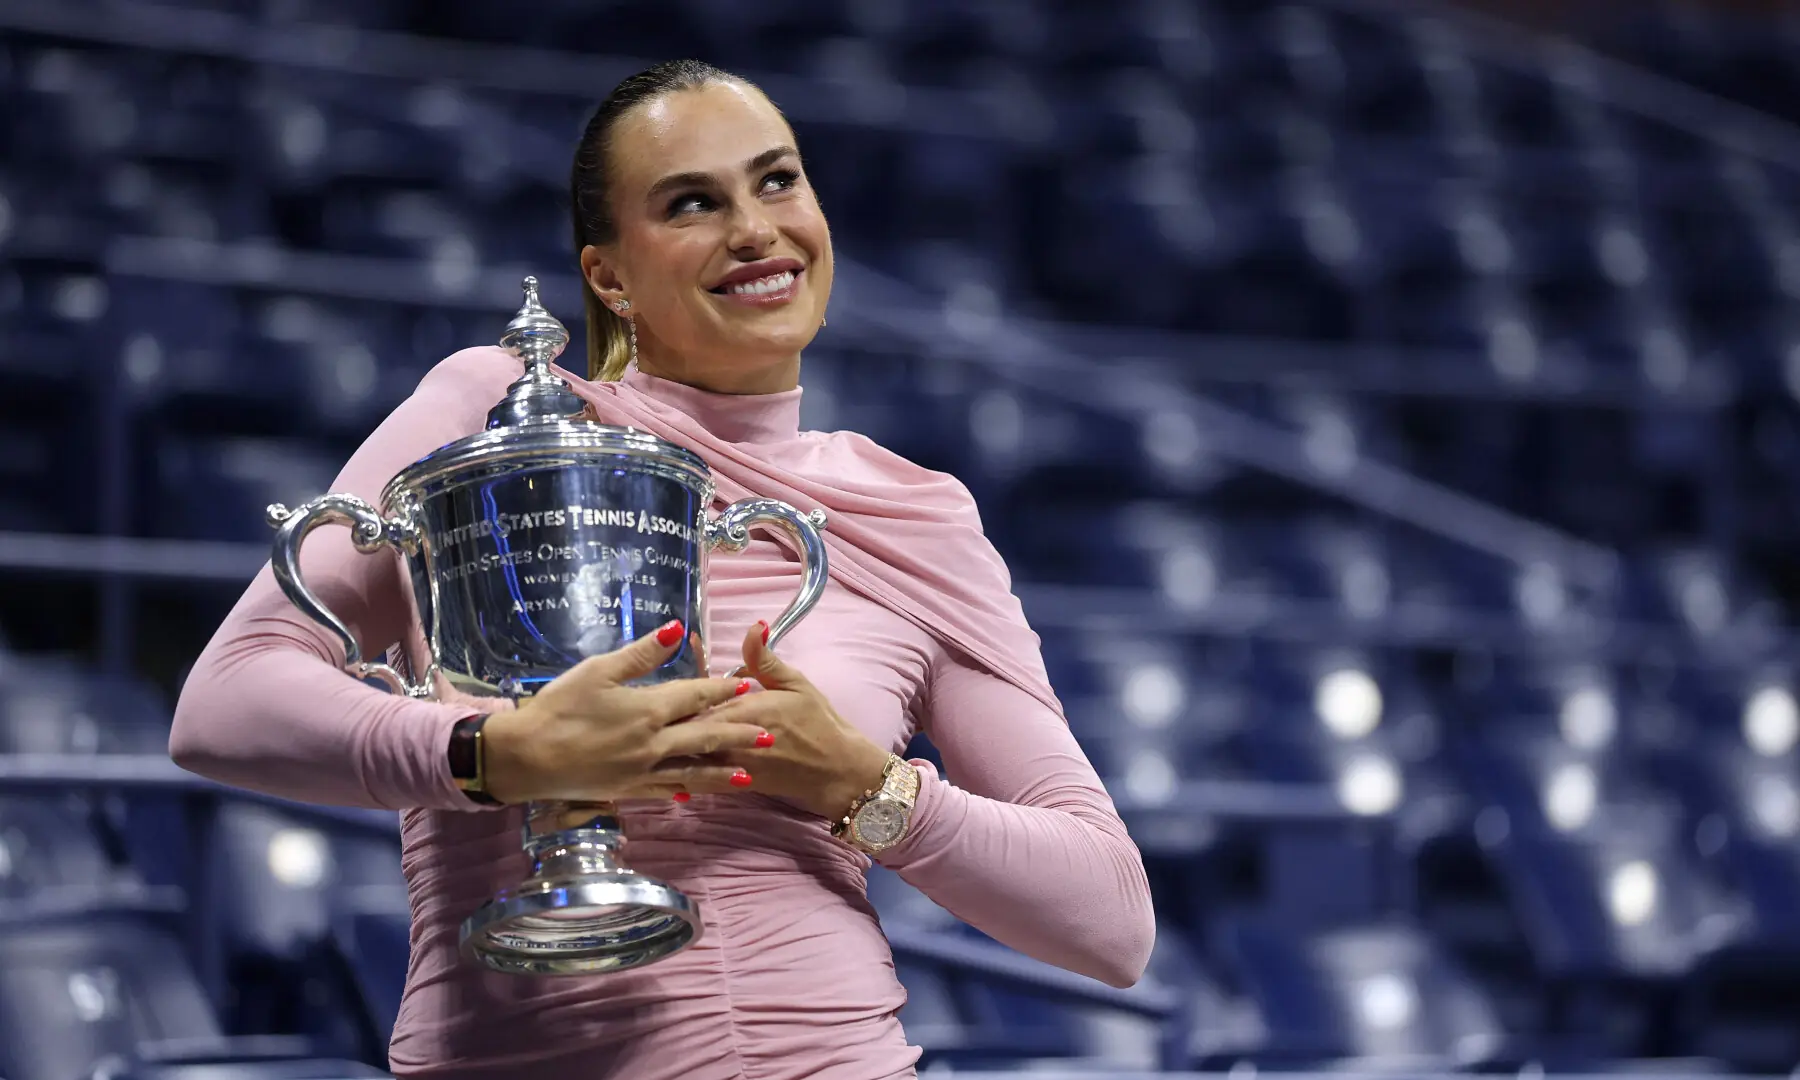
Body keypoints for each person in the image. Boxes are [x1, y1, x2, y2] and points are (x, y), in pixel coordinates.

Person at [170, 59, 1154, 1079]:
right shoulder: (498, 411)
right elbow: (224, 708)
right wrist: (494, 754)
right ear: (608, 275)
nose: (755, 230)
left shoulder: (912, 514)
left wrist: (864, 785)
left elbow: (1111, 922)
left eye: (778, 181)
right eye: (693, 202)